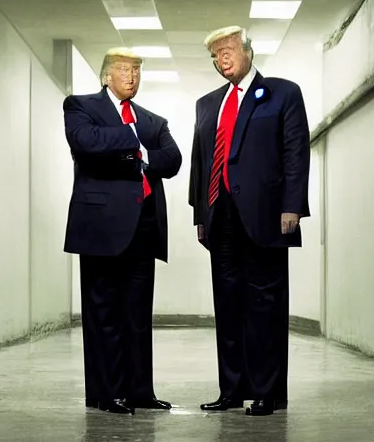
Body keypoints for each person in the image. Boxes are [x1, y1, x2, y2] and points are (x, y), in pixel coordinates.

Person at [188, 26, 310, 416]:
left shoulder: (282, 93)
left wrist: (292, 205)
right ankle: (231, 390)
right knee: (227, 305)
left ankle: (266, 391)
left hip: (266, 217)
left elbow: (296, 151)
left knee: (264, 307)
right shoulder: (207, 104)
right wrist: (200, 213)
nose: (222, 60)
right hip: (219, 217)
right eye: (215, 56)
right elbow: (200, 162)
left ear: (248, 51)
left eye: (228, 51)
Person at [63, 47, 182, 415]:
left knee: (136, 314)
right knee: (104, 314)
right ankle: (106, 392)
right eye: (124, 69)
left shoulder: (152, 120)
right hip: (100, 227)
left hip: (144, 227)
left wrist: (137, 155)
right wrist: (135, 144)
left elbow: (173, 159)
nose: (132, 76)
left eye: (136, 70)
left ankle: (140, 392)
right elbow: (86, 143)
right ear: (105, 76)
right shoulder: (80, 106)